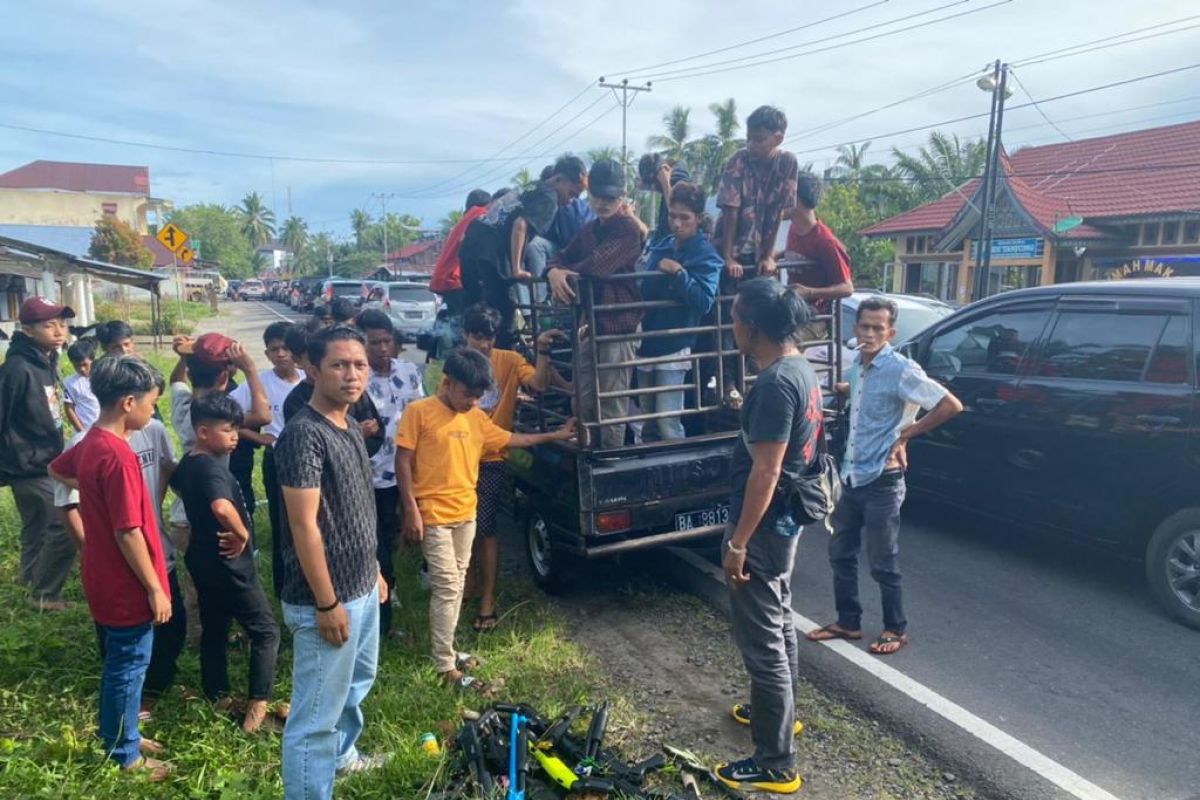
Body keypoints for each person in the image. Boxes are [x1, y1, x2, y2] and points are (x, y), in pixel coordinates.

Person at [396, 348, 574, 690]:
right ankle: (444, 665)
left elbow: (511, 439)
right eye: (467, 394)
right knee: (447, 587)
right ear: (447, 382)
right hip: (433, 514)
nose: (472, 402)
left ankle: (447, 650)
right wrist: (410, 509)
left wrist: (555, 435)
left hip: (466, 513)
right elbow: (403, 462)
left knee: (459, 582)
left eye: (478, 396)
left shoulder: (476, 418)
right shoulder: (419, 412)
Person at [806, 297, 962, 656]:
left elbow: (949, 405)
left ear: (891, 332)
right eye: (865, 326)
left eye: (879, 328)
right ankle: (848, 622)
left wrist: (907, 433)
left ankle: (896, 627)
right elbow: (858, 395)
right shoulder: (860, 367)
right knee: (841, 552)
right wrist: (840, 388)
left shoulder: (901, 369)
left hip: (883, 479)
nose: (871, 333)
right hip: (852, 475)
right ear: (856, 328)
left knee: (882, 560)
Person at [48, 355, 174, 781]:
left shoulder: (89, 442)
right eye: (152, 403)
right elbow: (128, 532)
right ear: (127, 402)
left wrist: (93, 492)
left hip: (101, 571)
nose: (154, 411)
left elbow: (57, 469)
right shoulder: (118, 456)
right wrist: (156, 587)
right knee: (128, 664)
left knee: (121, 662)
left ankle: (125, 733)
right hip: (126, 581)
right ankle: (125, 755)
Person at [716, 279, 820, 795]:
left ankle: (776, 760)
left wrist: (737, 543)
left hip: (763, 526)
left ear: (751, 326)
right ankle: (780, 715)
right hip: (783, 524)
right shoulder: (799, 368)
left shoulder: (777, 383)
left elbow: (767, 471)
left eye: (734, 317)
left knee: (763, 644)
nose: (731, 326)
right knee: (777, 619)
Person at [276, 325, 389, 797]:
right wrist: (326, 603)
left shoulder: (348, 425)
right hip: (325, 598)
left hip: (361, 586)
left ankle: (344, 757)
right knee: (315, 717)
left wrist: (376, 570)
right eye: (339, 365)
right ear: (313, 369)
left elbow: (356, 507)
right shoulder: (305, 435)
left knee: (357, 682)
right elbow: (304, 525)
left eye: (359, 364)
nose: (352, 374)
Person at [171, 393, 281, 733]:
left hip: (202, 557)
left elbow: (175, 483)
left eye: (237, 429)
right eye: (228, 430)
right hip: (229, 563)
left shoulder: (190, 462)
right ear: (203, 432)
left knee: (215, 628)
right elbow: (221, 506)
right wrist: (242, 533)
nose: (235, 436)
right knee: (265, 631)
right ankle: (256, 709)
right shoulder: (211, 468)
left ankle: (216, 694)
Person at [458, 304, 558, 631]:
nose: (483, 345)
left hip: (491, 460)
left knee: (485, 527)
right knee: (459, 527)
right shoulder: (456, 367)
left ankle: (486, 599)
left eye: (488, 337)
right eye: (477, 337)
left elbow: (539, 384)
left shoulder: (509, 361)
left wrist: (542, 350)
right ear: (465, 336)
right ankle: (467, 580)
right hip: (456, 459)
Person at [167, 333, 270, 643]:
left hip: (184, 512)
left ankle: (204, 636)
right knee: (226, 577)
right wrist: (251, 370)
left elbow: (176, 380)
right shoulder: (223, 410)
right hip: (214, 510)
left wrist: (184, 357)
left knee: (196, 579)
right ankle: (208, 638)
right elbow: (264, 415)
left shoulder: (183, 402)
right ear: (226, 375)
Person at [547, 158, 645, 448]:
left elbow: (598, 265)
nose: (604, 203)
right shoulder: (590, 229)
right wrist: (553, 270)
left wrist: (564, 271)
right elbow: (561, 255)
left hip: (619, 324)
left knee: (611, 405)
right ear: (590, 194)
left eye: (611, 197)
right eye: (599, 196)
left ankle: (610, 465)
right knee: (585, 399)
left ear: (622, 196)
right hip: (591, 324)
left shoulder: (627, 229)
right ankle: (590, 456)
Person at [0, 297, 74, 611]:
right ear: (27, 330)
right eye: (49, 325)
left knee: (37, 527)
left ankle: (31, 581)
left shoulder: (43, 360)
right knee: (67, 525)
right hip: (28, 464)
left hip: (44, 459)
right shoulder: (18, 368)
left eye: (62, 324)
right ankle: (45, 595)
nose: (59, 331)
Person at [357, 309, 424, 636]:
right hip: (373, 473)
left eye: (387, 341)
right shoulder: (357, 379)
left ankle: (416, 572)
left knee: (407, 524)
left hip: (410, 467)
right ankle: (387, 587)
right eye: (374, 343)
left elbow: (421, 411)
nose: (382, 348)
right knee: (380, 531)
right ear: (363, 345)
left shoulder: (409, 371)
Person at [638, 182, 722, 441]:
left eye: (684, 218)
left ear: (698, 218)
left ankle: (675, 472)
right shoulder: (660, 245)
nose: (677, 223)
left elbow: (704, 302)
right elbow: (642, 286)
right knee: (645, 419)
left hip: (676, 344)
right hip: (647, 342)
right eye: (672, 216)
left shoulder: (706, 256)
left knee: (667, 421)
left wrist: (679, 273)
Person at [228, 321, 304, 571]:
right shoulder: (258, 383)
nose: (280, 354)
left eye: (285, 348)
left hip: (309, 455)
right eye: (274, 349)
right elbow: (224, 418)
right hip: (277, 458)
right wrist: (259, 437)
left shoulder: (309, 378)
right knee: (281, 516)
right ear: (266, 354)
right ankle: (285, 570)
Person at [459, 174, 559, 348]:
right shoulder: (549, 196)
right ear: (560, 180)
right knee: (503, 313)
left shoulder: (531, 187)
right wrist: (517, 269)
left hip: (473, 242)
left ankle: (472, 358)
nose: (571, 199)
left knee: (476, 311)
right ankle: (501, 362)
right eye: (572, 192)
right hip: (490, 249)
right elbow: (520, 225)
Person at [780, 171, 854, 341]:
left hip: (815, 318)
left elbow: (847, 288)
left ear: (795, 199)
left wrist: (809, 292)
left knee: (780, 344)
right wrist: (775, 256)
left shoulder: (825, 241)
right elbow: (801, 253)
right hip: (793, 311)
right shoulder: (794, 229)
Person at [431, 189, 496, 317]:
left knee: (454, 324)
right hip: (456, 279)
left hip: (447, 278)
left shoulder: (466, 219)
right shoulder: (481, 214)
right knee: (468, 322)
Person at [638, 152, 692, 245]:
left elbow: (678, 215)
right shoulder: (667, 189)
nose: (653, 188)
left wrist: (665, 183)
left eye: (653, 185)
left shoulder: (681, 185)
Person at [64, 338, 101, 432]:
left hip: (104, 428)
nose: (82, 369)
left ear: (92, 360)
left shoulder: (103, 377)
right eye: (76, 366)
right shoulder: (70, 382)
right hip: (85, 430)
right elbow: (69, 409)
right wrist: (81, 432)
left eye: (85, 364)